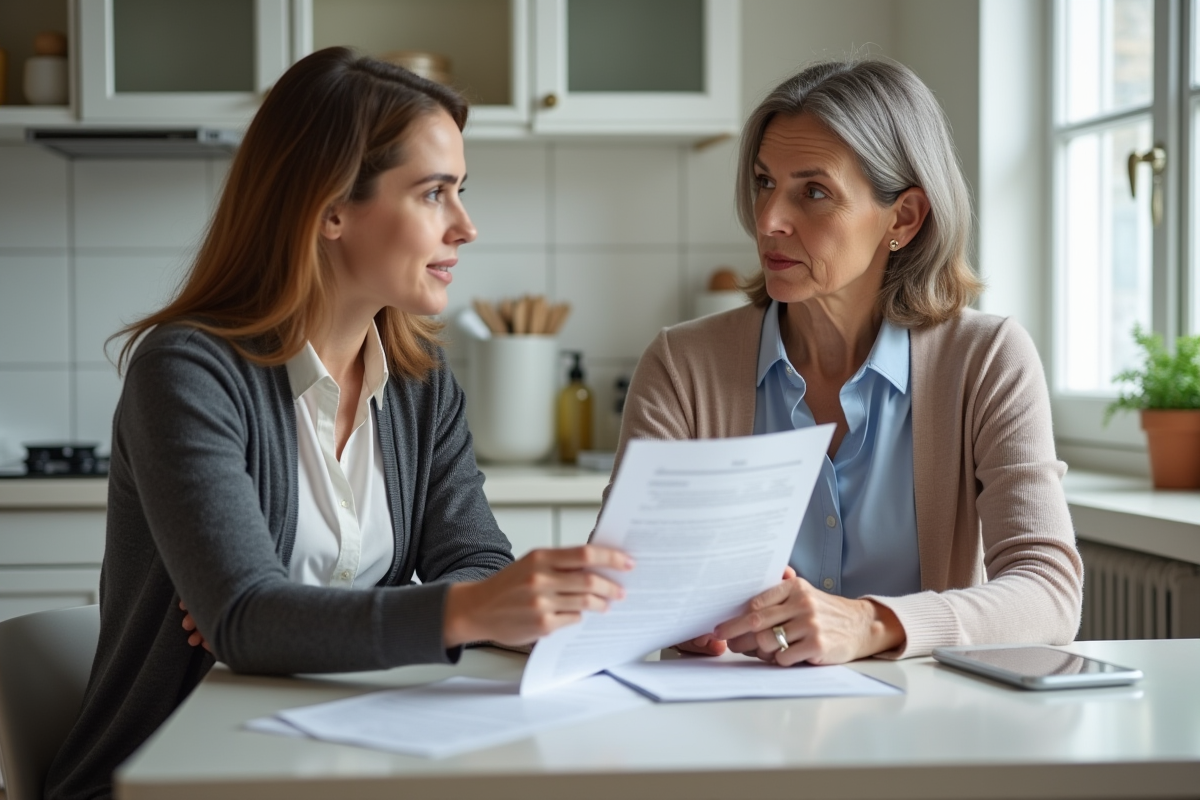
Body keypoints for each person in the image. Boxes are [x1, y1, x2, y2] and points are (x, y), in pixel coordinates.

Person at [46, 48, 630, 800]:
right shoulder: (189, 372)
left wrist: (304, 616)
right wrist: (453, 611)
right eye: (433, 194)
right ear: (330, 209)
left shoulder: (421, 380)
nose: (466, 227)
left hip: (343, 755)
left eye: (461, 192)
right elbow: (249, 621)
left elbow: (475, 557)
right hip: (169, 775)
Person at [609, 58, 1082, 666]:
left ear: (903, 218)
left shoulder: (987, 361)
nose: (769, 220)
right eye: (763, 182)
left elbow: (1049, 592)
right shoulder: (682, 365)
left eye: (813, 192)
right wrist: (674, 614)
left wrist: (870, 624)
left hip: (929, 729)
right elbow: (614, 580)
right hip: (733, 728)